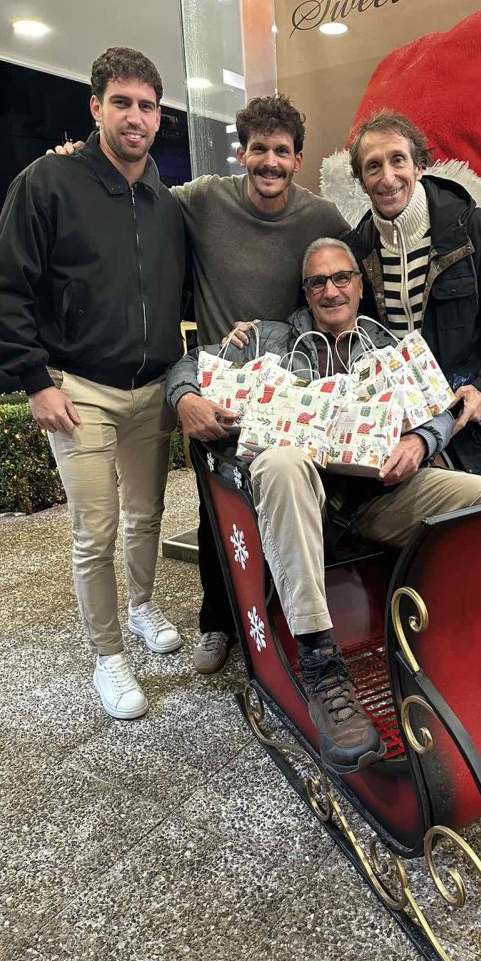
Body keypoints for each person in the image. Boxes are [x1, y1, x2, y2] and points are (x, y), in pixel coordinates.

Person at [165, 238, 481, 775]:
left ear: (359, 285)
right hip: (299, 497)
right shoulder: (268, 338)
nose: (331, 291)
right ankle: (320, 663)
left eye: (341, 278)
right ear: (305, 292)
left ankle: (452, 642)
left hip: (378, 495)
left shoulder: (386, 342)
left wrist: (420, 441)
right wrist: (185, 398)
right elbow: (190, 363)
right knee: (280, 461)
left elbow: (442, 407)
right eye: (317, 282)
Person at [50, 95, 350, 676]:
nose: (269, 162)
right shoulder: (203, 198)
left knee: (293, 506)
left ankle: (289, 626)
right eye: (258, 149)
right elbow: (135, 196)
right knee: (217, 515)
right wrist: (78, 163)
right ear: (243, 154)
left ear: (298, 158)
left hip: (291, 396)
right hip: (213, 394)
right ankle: (218, 622)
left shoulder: (322, 217)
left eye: (281, 151)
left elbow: (348, 271)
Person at [0, 48, 186, 721]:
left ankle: (142, 607)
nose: (135, 117)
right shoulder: (48, 181)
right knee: (94, 531)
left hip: (152, 387)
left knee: (147, 514)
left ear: (159, 116)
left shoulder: (165, 203)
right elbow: (2, 292)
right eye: (121, 102)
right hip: (80, 390)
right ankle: (108, 656)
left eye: (146, 106)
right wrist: (36, 381)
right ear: (95, 107)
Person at [344, 110, 481, 482]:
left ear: (419, 166)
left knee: (479, 520)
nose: (388, 177)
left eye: (398, 160)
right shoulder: (357, 250)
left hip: (468, 432)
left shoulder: (474, 229)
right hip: (399, 434)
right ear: (362, 181)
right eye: (373, 166)